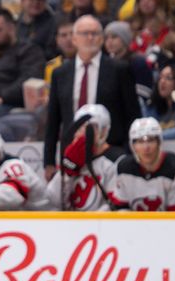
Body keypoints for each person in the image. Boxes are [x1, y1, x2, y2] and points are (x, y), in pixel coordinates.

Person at [44, 15, 140, 178]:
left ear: (102, 39)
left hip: (110, 151)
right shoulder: (60, 73)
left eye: (95, 33)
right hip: (72, 152)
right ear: (74, 39)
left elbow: (132, 114)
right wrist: (49, 162)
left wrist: (129, 154)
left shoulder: (119, 69)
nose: (90, 37)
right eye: (84, 33)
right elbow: (53, 121)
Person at [47, 104, 125, 210]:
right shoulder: (71, 155)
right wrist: (67, 172)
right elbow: (53, 200)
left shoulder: (118, 160)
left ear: (104, 131)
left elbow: (116, 204)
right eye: (79, 127)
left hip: (102, 225)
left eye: (91, 127)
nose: (84, 132)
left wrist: (89, 223)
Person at [113, 117, 175, 210]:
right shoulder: (123, 167)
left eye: (150, 140)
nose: (146, 147)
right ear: (132, 145)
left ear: (159, 142)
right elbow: (120, 208)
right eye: (140, 141)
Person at [141, 63, 175, 139]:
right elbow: (145, 131)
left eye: (168, 78)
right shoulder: (151, 105)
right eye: (160, 77)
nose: (162, 81)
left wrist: (155, 136)